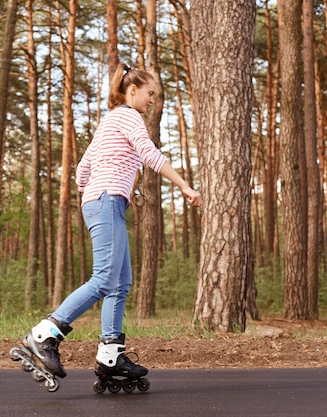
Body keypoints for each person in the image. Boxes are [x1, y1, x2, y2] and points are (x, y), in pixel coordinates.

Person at [22, 63, 202, 381]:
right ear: (133, 90)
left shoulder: (109, 122)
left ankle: (110, 357)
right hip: (106, 200)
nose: (152, 100)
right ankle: (44, 334)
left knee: (120, 284)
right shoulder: (127, 115)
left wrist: (90, 196)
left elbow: (81, 170)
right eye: (150, 94)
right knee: (104, 280)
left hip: (104, 200)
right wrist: (184, 185)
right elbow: (149, 153)